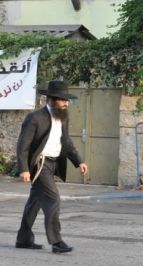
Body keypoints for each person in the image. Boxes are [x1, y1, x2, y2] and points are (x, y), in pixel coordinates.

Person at [15, 80, 88, 254]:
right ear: (53, 99)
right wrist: (24, 169)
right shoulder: (35, 118)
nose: (66, 103)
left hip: (53, 162)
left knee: (35, 202)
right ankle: (56, 241)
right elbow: (22, 145)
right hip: (39, 164)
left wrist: (79, 161)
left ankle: (23, 239)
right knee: (53, 198)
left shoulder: (63, 116)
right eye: (63, 100)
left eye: (67, 100)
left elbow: (66, 141)